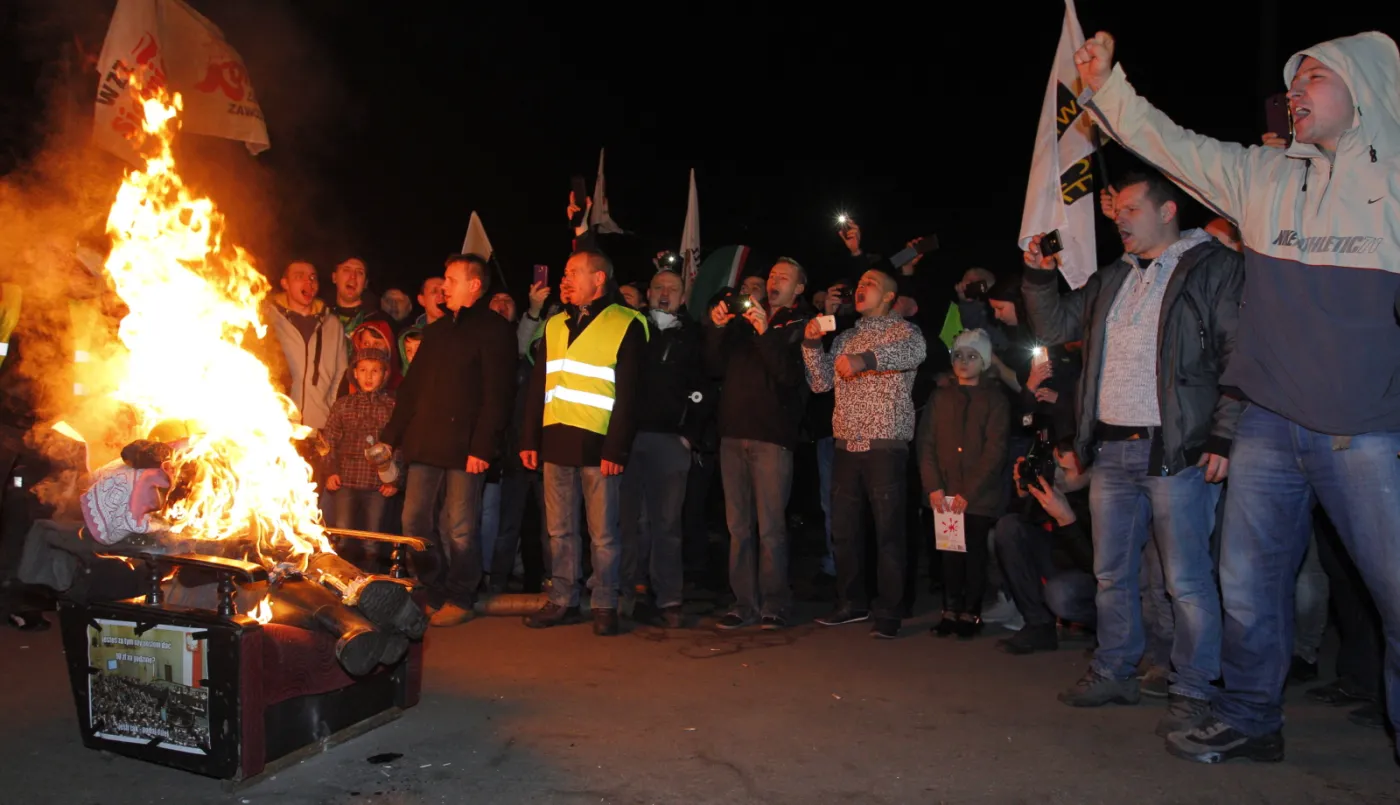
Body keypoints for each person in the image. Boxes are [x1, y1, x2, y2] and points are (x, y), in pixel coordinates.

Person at [1075, 29, 1400, 763]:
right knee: (1246, 586)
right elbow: (1172, 144)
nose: (1298, 89)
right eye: (1295, 78)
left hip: (1366, 427)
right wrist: (1107, 86)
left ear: (1366, 88)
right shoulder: (1263, 176)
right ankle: (1252, 715)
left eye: (1316, 76)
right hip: (1267, 423)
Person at [380, 254, 516, 628]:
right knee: (414, 523)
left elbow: (498, 396)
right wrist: (390, 437)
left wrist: (483, 447)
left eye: (451, 279)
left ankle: (461, 594)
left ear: (474, 285)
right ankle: (432, 588)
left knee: (459, 526)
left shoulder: (494, 330)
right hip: (425, 444)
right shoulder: (436, 332)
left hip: (465, 449)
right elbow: (412, 389)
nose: (444, 286)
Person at [521, 249, 647, 636]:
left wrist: (617, 447)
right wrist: (530, 438)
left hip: (598, 445)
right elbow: (537, 384)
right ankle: (563, 600)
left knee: (603, 533)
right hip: (556, 440)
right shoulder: (555, 324)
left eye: (575, 272)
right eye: (565, 272)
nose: (566, 279)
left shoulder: (627, 321)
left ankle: (605, 602)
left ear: (599, 279)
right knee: (559, 531)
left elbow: (630, 394)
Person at [804, 269, 926, 638]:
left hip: (884, 445)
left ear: (889, 297)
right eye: (858, 285)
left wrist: (866, 360)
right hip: (845, 444)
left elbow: (916, 353)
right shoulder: (844, 338)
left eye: (870, 285)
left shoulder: (904, 331)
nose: (860, 289)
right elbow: (821, 381)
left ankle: (889, 610)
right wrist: (810, 346)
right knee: (843, 530)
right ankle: (851, 603)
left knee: (888, 531)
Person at [917, 329, 1008, 639]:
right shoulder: (941, 398)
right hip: (945, 493)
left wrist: (968, 492)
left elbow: (994, 451)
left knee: (975, 554)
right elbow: (926, 443)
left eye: (972, 356)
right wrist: (934, 487)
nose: (964, 362)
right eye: (958, 356)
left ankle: (972, 611)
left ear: (983, 362)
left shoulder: (995, 400)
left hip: (978, 496)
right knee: (950, 551)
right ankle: (950, 609)